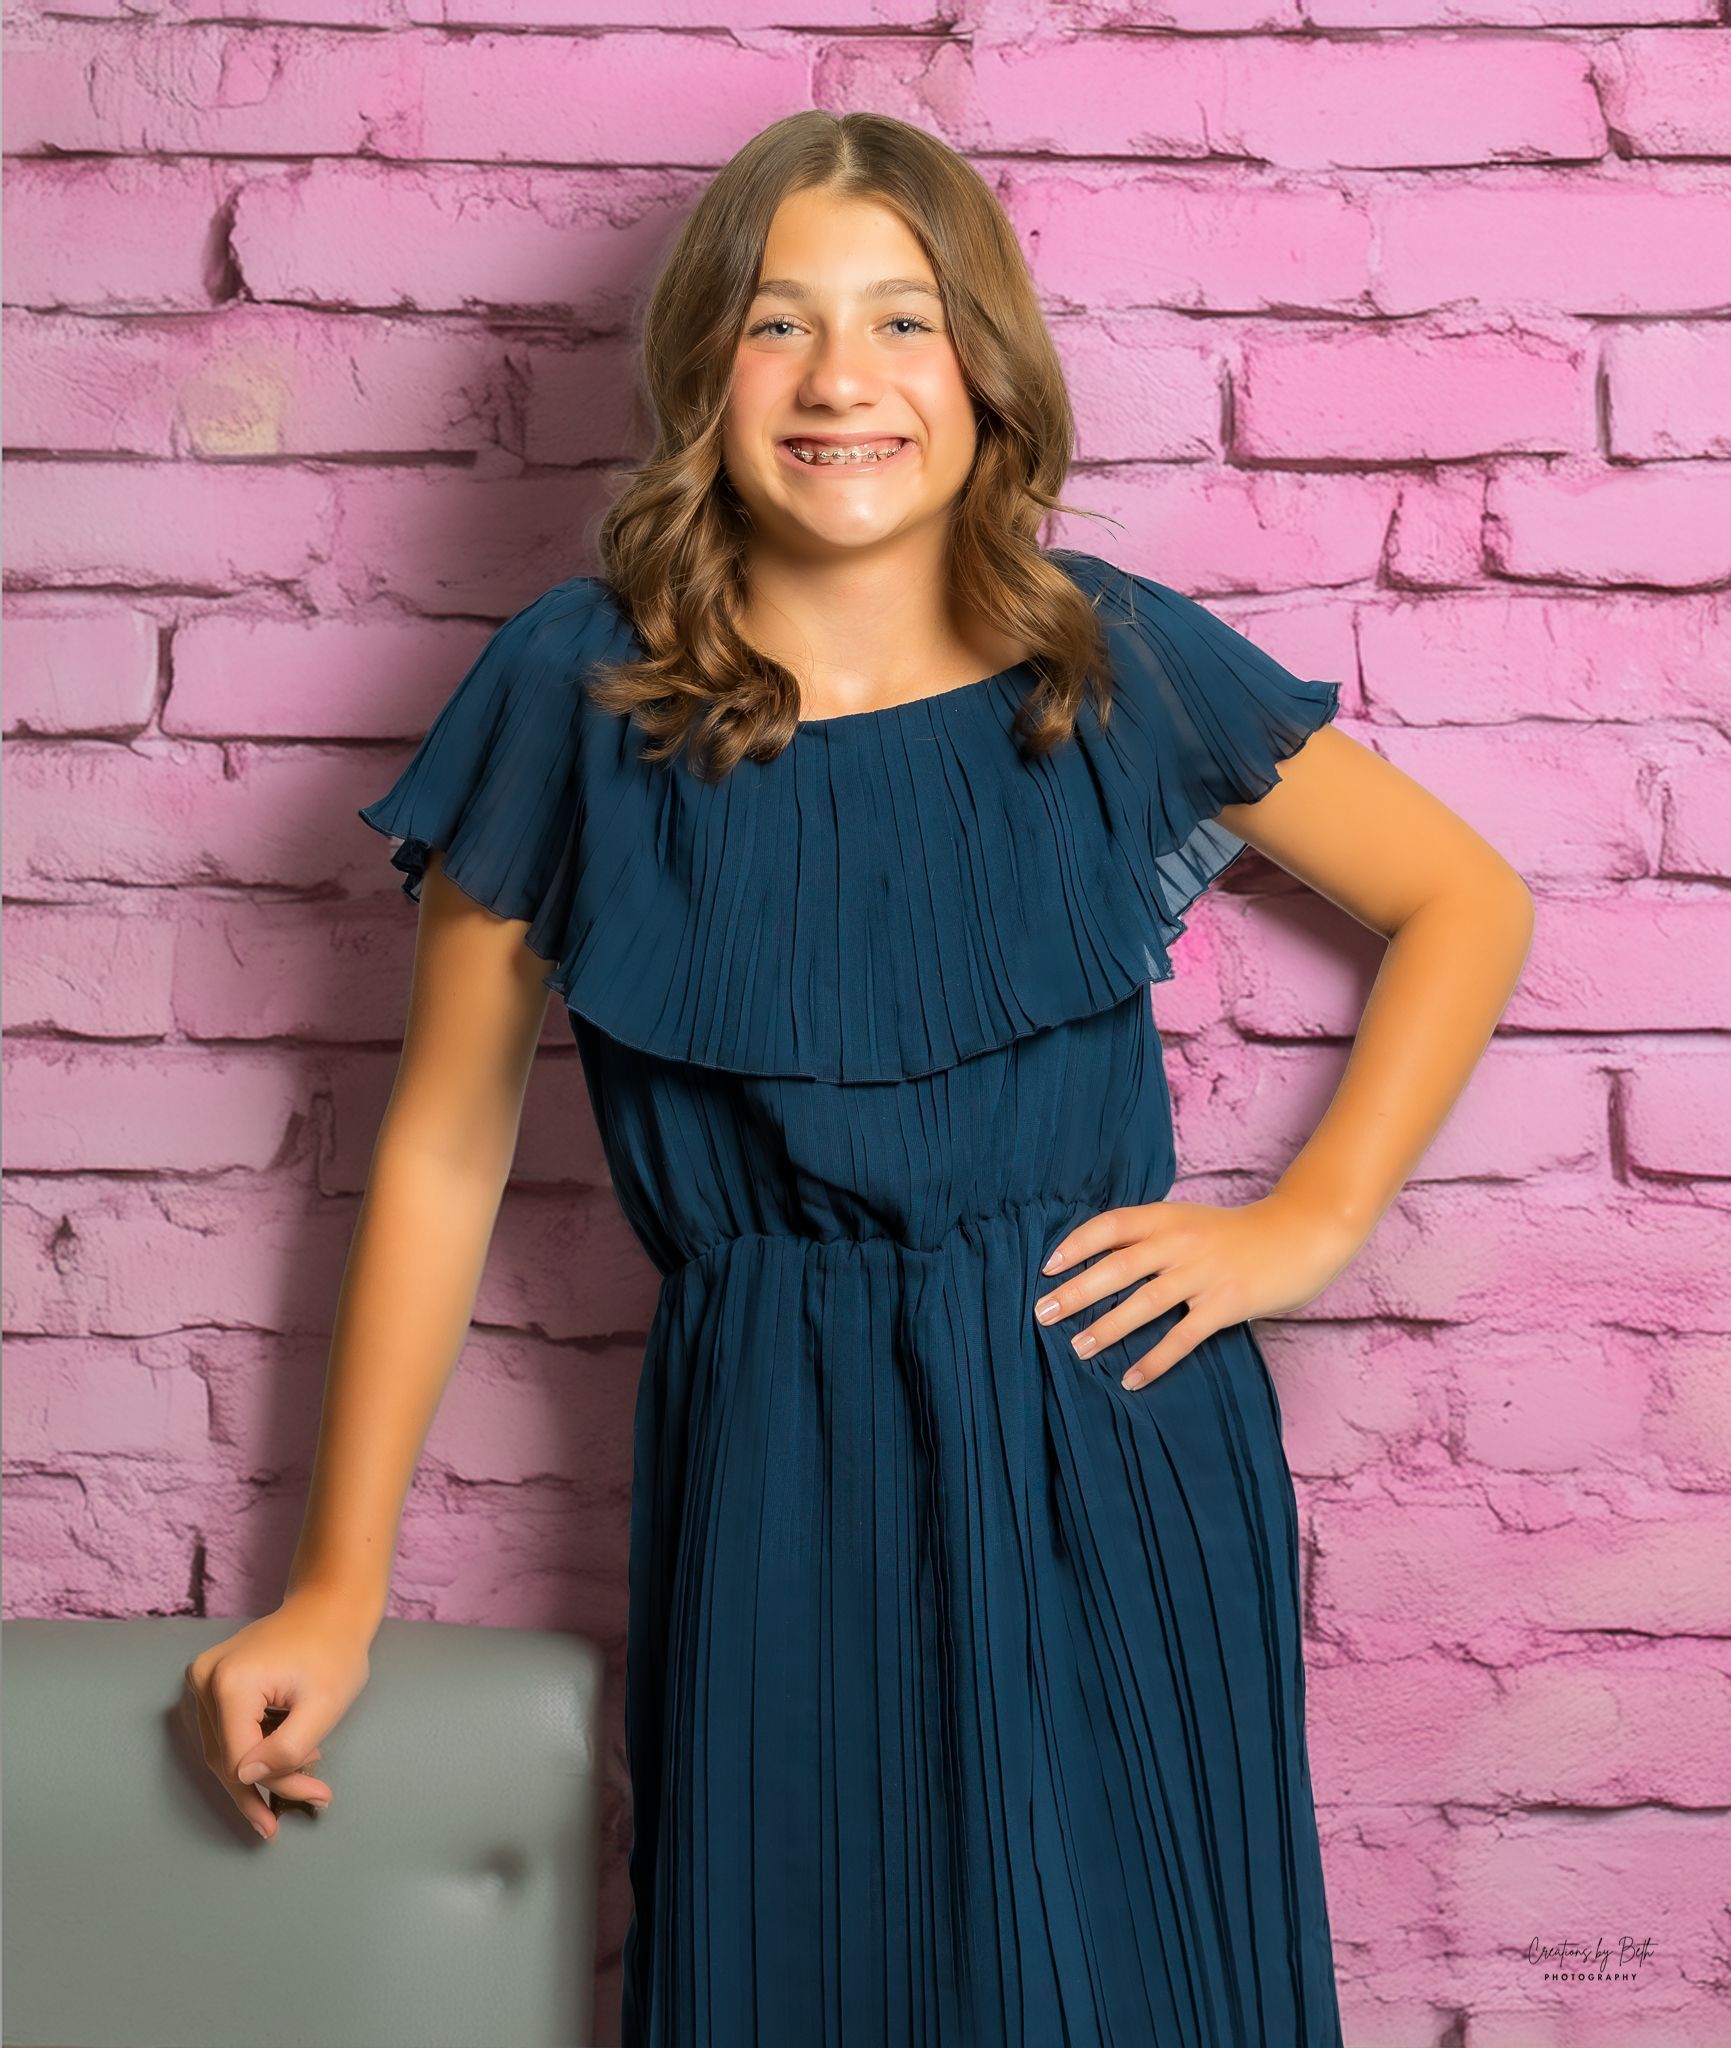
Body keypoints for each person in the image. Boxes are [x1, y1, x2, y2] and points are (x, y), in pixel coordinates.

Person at [184, 110, 1534, 2047]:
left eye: (901, 321)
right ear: (699, 375)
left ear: (982, 374)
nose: (840, 379)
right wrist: (335, 1586)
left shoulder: (1104, 658)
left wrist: (1300, 1225)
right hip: (776, 1447)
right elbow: (441, 1148)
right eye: (777, 322)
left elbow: (1461, 900)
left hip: (1111, 1431)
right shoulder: (574, 690)